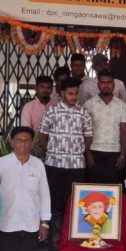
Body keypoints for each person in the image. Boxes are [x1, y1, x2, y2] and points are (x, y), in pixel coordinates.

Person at [39, 77, 93, 237]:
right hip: (54, 164)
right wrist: (52, 150)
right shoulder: (51, 111)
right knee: (54, 200)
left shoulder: (84, 113)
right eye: (70, 93)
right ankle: (54, 235)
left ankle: (70, 235)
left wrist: (80, 150)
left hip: (76, 165)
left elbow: (88, 136)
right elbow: (42, 135)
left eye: (76, 93)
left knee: (73, 200)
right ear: (62, 93)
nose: (74, 97)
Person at [83, 70, 126, 184]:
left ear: (114, 84)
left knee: (112, 188)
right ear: (98, 84)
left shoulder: (122, 106)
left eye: (109, 82)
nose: (106, 85)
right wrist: (87, 153)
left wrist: (123, 155)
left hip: (115, 153)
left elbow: (124, 132)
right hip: (93, 152)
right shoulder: (89, 105)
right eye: (103, 82)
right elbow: (84, 130)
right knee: (93, 188)